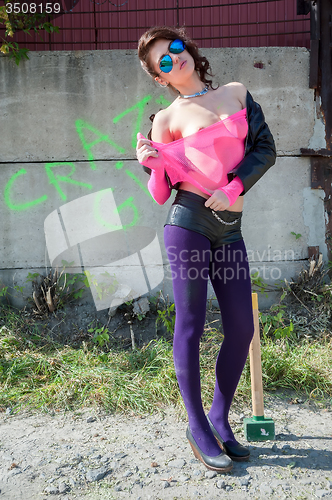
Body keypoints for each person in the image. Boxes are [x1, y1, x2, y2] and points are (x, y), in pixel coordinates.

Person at [136, 26, 276, 473]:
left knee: (241, 327)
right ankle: (197, 426)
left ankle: (220, 415)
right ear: (160, 78)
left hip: (229, 228)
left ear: (188, 49)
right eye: (162, 61)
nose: (173, 58)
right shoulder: (164, 119)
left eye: (175, 48)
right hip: (189, 225)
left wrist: (235, 186)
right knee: (191, 326)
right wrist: (151, 163)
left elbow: (265, 149)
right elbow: (161, 191)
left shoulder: (237, 92)